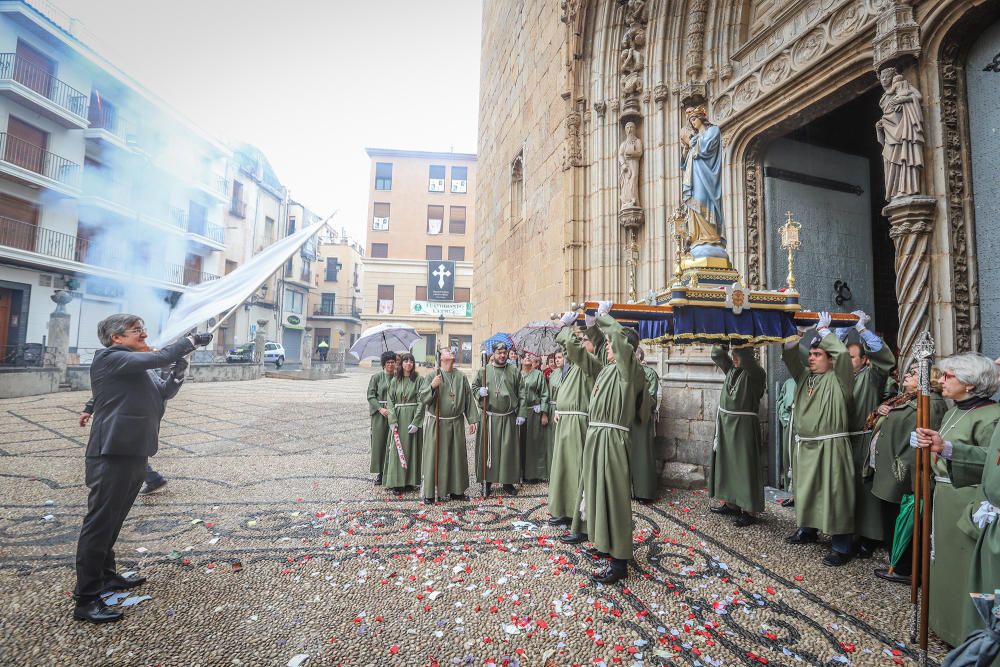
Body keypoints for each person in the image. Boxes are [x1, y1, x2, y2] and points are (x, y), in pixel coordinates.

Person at [73, 315, 210, 623]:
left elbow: (164, 391)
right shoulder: (111, 357)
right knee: (99, 524)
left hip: (135, 451)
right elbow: (161, 356)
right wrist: (189, 341)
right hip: (111, 453)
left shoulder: (134, 364)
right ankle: (85, 599)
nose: (144, 334)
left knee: (114, 520)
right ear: (116, 338)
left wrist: (182, 364)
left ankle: (107, 577)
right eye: (137, 330)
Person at [913, 353, 1000, 647]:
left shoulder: (992, 417)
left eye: (950, 376)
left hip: (968, 501)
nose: (941, 380)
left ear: (972, 384)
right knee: (943, 563)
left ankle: (964, 632)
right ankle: (942, 621)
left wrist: (948, 449)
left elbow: (992, 463)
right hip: (943, 497)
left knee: (963, 568)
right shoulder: (953, 412)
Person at [567, 301, 643, 584]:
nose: (607, 347)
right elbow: (594, 346)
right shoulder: (609, 368)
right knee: (597, 492)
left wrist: (607, 319)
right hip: (598, 436)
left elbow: (620, 345)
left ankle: (620, 560)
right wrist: (586, 324)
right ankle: (605, 544)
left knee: (613, 496)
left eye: (612, 344)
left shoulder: (628, 367)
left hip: (612, 439)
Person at [781, 314, 856, 566]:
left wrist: (825, 331)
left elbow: (844, 355)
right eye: (811, 354)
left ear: (830, 360)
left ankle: (841, 546)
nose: (811, 358)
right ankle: (807, 530)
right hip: (806, 445)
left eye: (818, 355)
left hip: (831, 446)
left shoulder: (840, 378)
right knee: (807, 491)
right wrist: (797, 333)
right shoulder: (804, 378)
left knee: (835, 493)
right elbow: (790, 355)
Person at [868, 363, 945, 584]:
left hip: (902, 474)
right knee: (893, 519)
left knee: (903, 521)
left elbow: (923, 442)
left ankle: (904, 568)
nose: (907, 375)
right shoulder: (907, 400)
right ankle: (899, 563)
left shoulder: (927, 404)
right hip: (893, 472)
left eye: (913, 373)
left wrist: (906, 473)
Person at [839, 311, 896, 557]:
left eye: (852, 357)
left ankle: (870, 536)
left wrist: (862, 330)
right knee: (845, 488)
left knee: (865, 488)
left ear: (864, 360)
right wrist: (839, 331)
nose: (848, 361)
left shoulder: (871, 377)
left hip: (863, 437)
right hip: (842, 439)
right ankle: (847, 531)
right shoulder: (837, 378)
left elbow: (884, 359)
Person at [553, 320, 605, 535]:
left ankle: (577, 515)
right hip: (566, 421)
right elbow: (568, 349)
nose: (582, 344)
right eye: (581, 340)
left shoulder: (592, 363)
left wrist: (567, 327)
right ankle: (564, 510)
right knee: (563, 469)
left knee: (575, 471)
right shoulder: (576, 365)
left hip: (578, 423)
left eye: (586, 340)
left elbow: (573, 348)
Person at [708, 345, 767, 526]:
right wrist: (723, 339)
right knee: (727, 464)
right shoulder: (732, 369)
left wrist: (741, 341)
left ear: (747, 355)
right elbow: (717, 354)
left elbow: (748, 361)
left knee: (744, 467)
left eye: (737, 355)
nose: (733, 359)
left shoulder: (756, 373)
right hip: (726, 425)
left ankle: (749, 509)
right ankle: (731, 502)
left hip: (743, 426)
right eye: (733, 355)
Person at [421, 345, 480, 502]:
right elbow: (423, 399)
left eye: (452, 350)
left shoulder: (460, 377)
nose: (451, 352)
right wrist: (433, 386)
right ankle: (430, 492)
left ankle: (457, 490)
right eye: (448, 351)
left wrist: (472, 420)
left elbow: (468, 399)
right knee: (435, 457)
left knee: (457, 456)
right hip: (438, 423)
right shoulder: (433, 376)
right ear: (441, 358)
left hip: (456, 423)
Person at [472, 342, 527, 497]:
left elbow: (522, 393)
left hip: (508, 416)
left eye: (505, 352)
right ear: (493, 353)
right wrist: (479, 392)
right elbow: (474, 387)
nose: (502, 355)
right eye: (499, 352)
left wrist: (522, 413)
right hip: (489, 418)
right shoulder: (484, 370)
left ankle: (508, 482)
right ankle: (487, 482)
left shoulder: (514, 371)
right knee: (489, 450)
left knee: (507, 451)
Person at [385, 353, 424, 496]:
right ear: (401, 364)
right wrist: (392, 420)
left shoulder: (419, 380)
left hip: (413, 417)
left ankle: (410, 481)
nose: (409, 363)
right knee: (397, 450)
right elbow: (390, 401)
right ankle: (397, 482)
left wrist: (416, 421)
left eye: (411, 361)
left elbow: (422, 400)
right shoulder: (395, 380)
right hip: (399, 418)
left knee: (412, 450)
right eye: (406, 361)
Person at [629, 347, 660, 504]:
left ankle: (644, 491)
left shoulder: (649, 373)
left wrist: (638, 403)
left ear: (638, 356)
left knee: (642, 455)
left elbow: (652, 397)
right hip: (627, 419)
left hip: (642, 418)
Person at [367, 351, 397, 485]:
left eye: (392, 362)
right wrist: (380, 408)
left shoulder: (398, 377)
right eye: (388, 362)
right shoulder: (376, 377)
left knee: (393, 442)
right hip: (380, 414)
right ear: (383, 364)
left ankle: (393, 471)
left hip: (394, 413)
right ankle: (380, 472)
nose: (390, 364)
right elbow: (370, 396)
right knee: (379, 442)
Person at [519, 354, 550, 483]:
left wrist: (543, 412)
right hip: (520, 413)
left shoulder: (538, 374)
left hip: (534, 412)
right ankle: (520, 473)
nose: (527, 358)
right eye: (524, 356)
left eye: (529, 356)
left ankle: (533, 474)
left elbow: (544, 394)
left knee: (534, 443)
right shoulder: (517, 374)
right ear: (520, 360)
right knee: (520, 443)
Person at [776, 377, 797, 497]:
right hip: (789, 426)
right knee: (788, 458)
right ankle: (791, 495)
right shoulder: (789, 382)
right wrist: (786, 420)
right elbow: (780, 403)